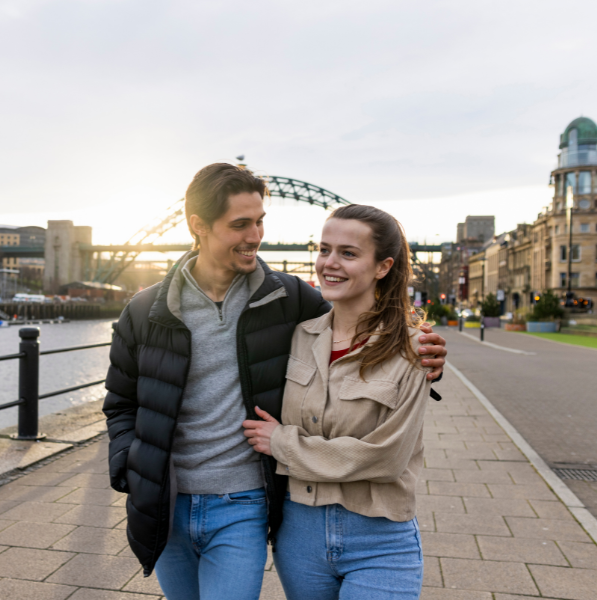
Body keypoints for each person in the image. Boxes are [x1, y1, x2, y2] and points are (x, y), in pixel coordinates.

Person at [103, 165, 447, 600]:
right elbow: (120, 402)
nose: (255, 235)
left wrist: (426, 356)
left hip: (244, 503)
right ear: (199, 226)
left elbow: (362, 321)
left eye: (261, 221)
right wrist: (129, 468)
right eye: (240, 224)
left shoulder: (290, 299)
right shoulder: (145, 309)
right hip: (166, 504)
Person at [242, 204, 436, 600]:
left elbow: (387, 458)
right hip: (299, 536)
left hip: (380, 538)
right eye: (324, 249)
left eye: (348, 253)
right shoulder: (297, 337)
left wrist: (282, 443)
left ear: (382, 267)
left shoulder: (415, 350)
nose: (330, 263)